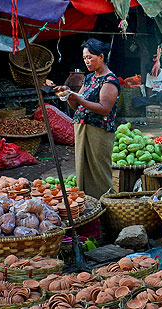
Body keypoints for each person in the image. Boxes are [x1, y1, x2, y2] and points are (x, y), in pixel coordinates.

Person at [54, 39, 120, 199]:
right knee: (83, 169)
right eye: (84, 58)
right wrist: (68, 94)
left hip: (99, 132)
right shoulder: (90, 78)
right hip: (82, 129)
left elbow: (104, 108)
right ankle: (89, 204)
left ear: (101, 57)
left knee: (99, 172)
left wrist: (79, 98)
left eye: (90, 57)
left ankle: (106, 204)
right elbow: (78, 106)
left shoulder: (109, 80)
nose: (87, 61)